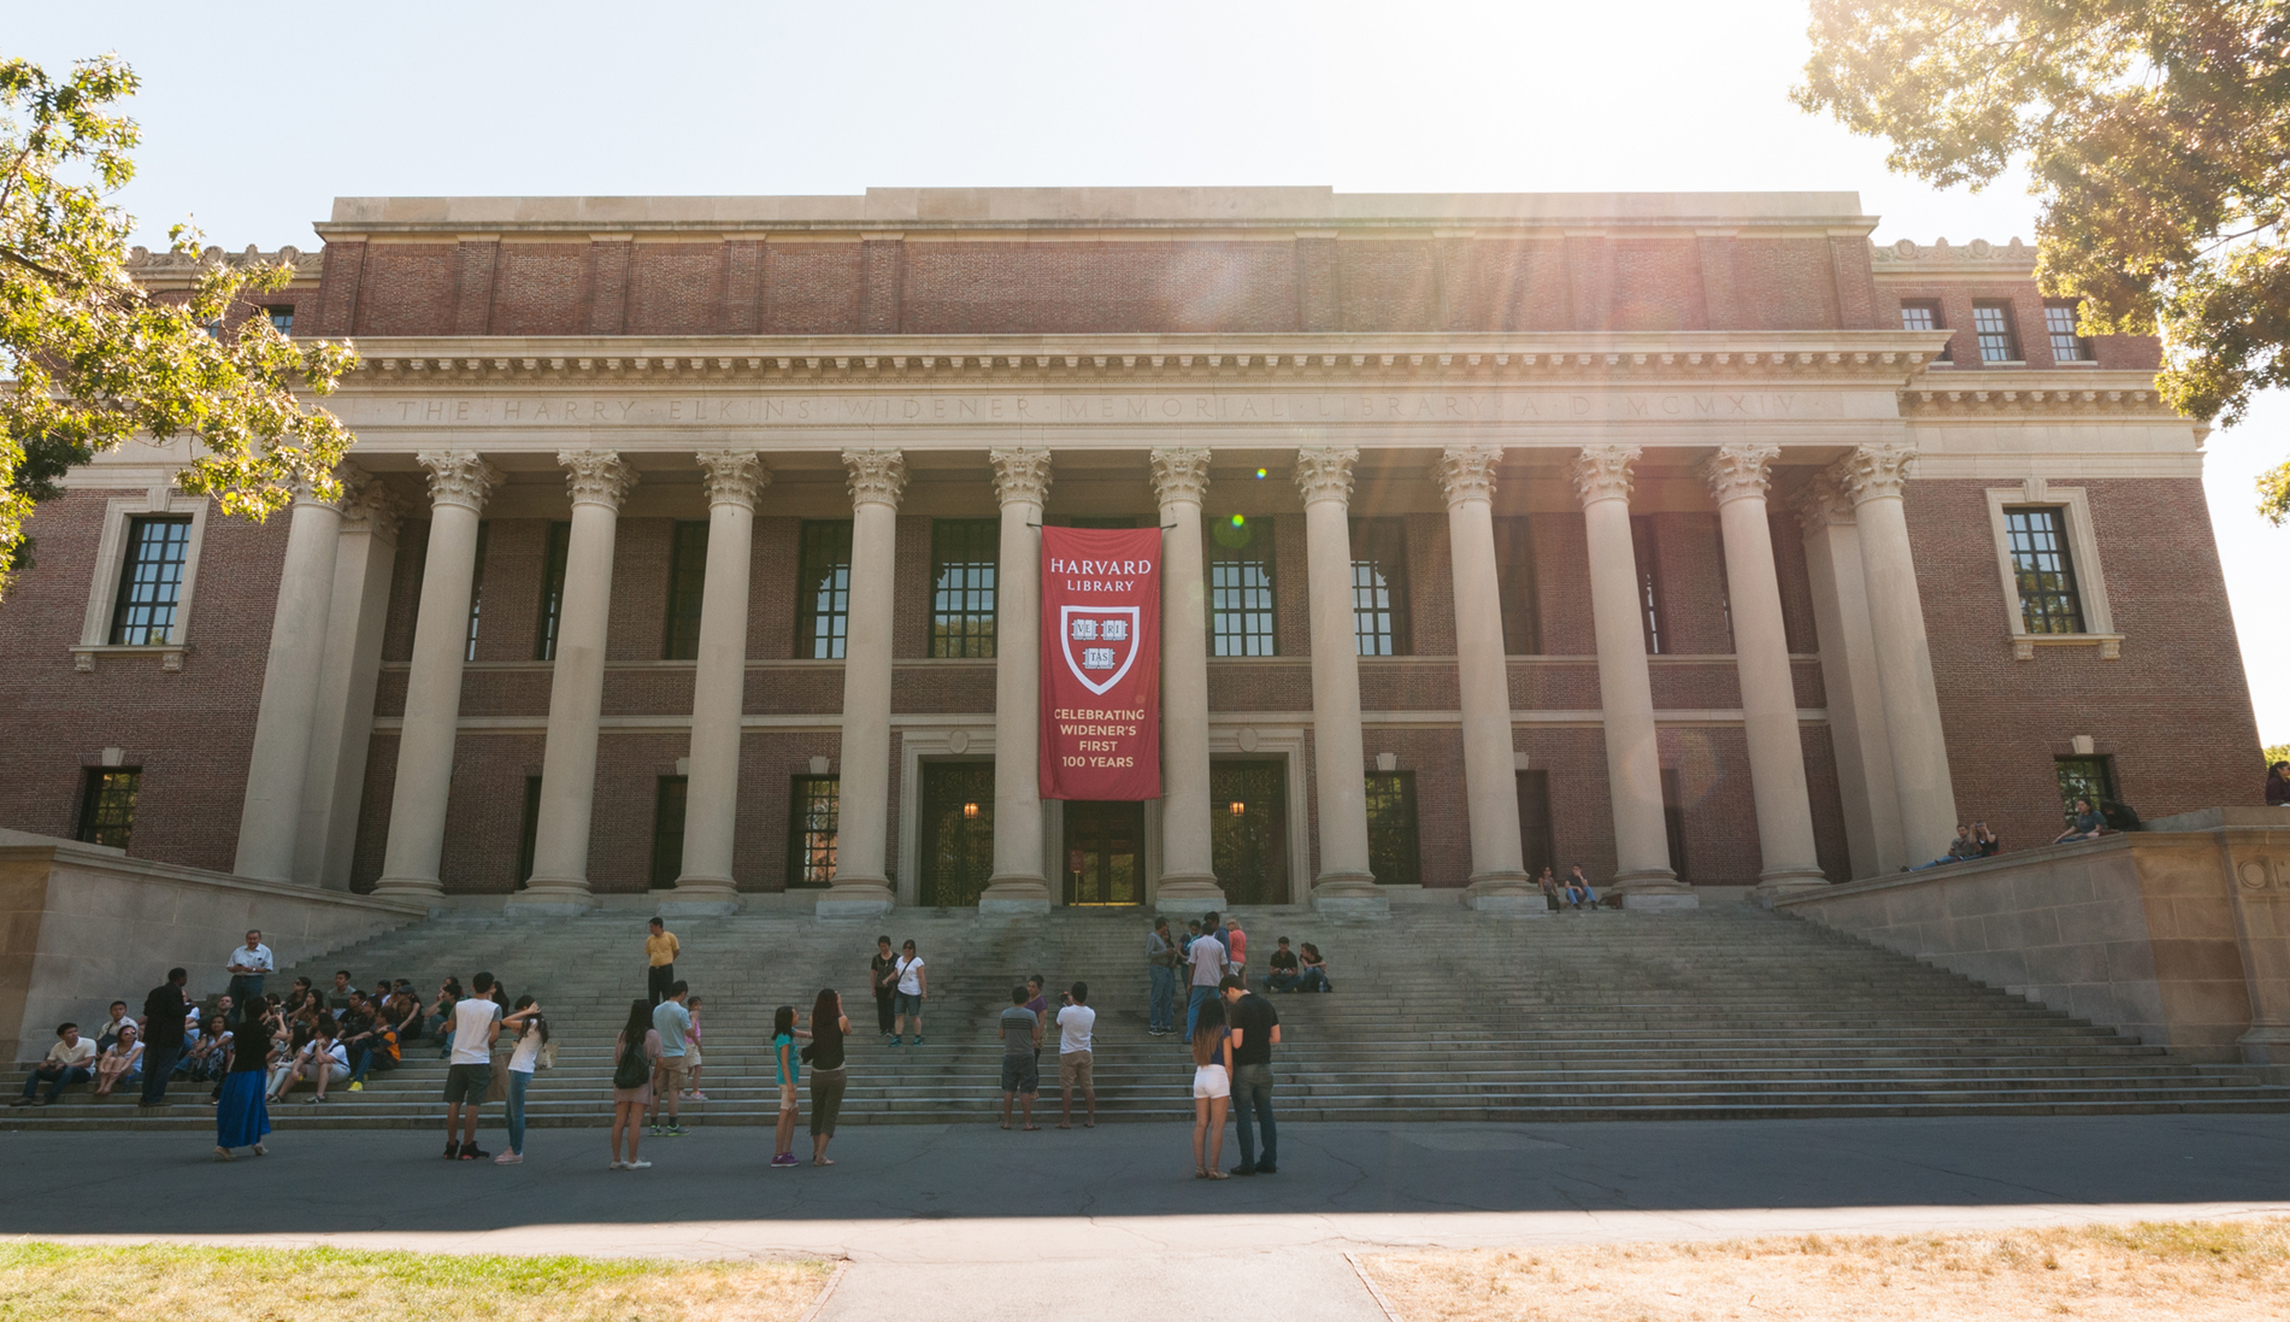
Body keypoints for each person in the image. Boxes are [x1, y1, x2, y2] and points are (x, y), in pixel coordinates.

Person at [1222, 973, 1281, 1175]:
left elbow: (1237, 1042)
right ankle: (1269, 1160)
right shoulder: (1266, 1004)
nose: (1226, 1000)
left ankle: (1247, 1163)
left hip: (1245, 1068)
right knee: (1266, 1114)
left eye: (1225, 995)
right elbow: (1276, 1037)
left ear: (1231, 989)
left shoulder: (1239, 1008)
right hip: (1265, 1067)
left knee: (1244, 1116)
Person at [442, 970, 502, 1161]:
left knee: (454, 1102)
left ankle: (451, 1145)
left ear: (473, 986)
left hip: (459, 1058)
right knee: (473, 1103)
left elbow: (449, 1027)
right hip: (478, 1059)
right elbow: (494, 1036)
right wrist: (489, 1043)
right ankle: (468, 1146)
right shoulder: (494, 1008)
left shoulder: (460, 1005)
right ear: (491, 987)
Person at [609, 999, 660, 1171]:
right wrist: (654, 1078)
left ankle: (616, 1159)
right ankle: (633, 1159)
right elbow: (660, 1059)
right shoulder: (652, 1034)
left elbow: (617, 1058)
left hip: (623, 1081)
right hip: (642, 1081)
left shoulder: (623, 1034)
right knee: (635, 1121)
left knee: (619, 1121)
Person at [213, 1013, 272, 1160]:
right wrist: (277, 1019)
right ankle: (225, 1145)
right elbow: (284, 1035)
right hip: (253, 1070)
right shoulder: (264, 1028)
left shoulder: (238, 1028)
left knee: (246, 1105)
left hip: (238, 1070)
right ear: (263, 1012)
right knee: (248, 1106)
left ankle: (256, 1141)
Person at [496, 995, 545, 1166]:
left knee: (516, 1113)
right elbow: (511, 1026)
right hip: (519, 1068)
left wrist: (529, 1013)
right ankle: (513, 1148)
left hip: (521, 1069)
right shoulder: (533, 1024)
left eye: (521, 1011)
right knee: (510, 1112)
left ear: (527, 1008)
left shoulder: (533, 1023)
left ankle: (516, 1151)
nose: (521, 1015)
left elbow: (505, 1021)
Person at [1190, 997, 1232, 1180]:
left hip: (1200, 1074)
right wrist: (1228, 1083)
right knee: (1217, 1125)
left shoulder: (1197, 1032)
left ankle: (1200, 1167)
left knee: (1201, 1124)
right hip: (1218, 1074)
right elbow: (1228, 1063)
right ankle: (1214, 1169)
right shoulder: (1223, 1031)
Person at [806, 989, 848, 1167]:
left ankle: (816, 1150)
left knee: (817, 1111)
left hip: (817, 1071)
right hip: (836, 1071)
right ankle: (821, 1156)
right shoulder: (841, 1020)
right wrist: (839, 1008)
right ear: (834, 1002)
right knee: (830, 1113)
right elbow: (849, 1031)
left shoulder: (812, 1019)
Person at [139, 967, 191, 1106]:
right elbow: (175, 1011)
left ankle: (145, 1097)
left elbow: (147, 1010)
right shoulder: (174, 992)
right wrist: (188, 1008)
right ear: (180, 978)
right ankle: (155, 1098)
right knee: (164, 1067)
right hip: (170, 1035)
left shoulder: (156, 991)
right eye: (185, 977)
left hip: (154, 1034)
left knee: (152, 1067)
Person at [648, 981, 692, 1138]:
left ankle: (654, 1124)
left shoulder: (657, 1009)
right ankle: (672, 1124)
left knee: (657, 1091)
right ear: (682, 993)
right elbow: (688, 1032)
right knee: (674, 1090)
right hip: (676, 1054)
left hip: (660, 1054)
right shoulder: (681, 1011)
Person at [13, 1024, 95, 1106]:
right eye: (69, 1032)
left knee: (70, 1069)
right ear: (62, 1036)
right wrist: (45, 1065)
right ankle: (27, 1096)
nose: (74, 1034)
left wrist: (65, 1065)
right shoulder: (58, 1046)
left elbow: (88, 1063)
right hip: (64, 1073)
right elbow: (49, 1061)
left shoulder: (88, 1043)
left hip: (83, 1073)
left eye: (75, 1031)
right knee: (35, 1071)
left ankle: (49, 1097)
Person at [997, 985, 1040, 1132]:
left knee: (1009, 1089)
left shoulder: (1005, 1014)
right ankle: (1027, 1123)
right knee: (1026, 1090)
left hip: (1010, 1054)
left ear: (1013, 999)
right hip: (1026, 1055)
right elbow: (1035, 1036)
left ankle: (1007, 1122)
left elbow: (1001, 1035)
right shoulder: (1030, 1015)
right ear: (1026, 999)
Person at [770, 1004, 809, 1168]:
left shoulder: (787, 1033)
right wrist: (791, 1089)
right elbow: (784, 1064)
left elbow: (806, 1034)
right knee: (785, 1114)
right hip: (788, 1081)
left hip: (790, 1080)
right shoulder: (784, 1038)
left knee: (793, 1112)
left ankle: (786, 1151)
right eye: (795, 1014)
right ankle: (779, 1154)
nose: (798, 1016)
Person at [1056, 981, 1096, 1130]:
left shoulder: (1065, 1011)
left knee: (1067, 1087)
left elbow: (1057, 1026)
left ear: (1072, 995)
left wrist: (1068, 1004)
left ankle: (1066, 1120)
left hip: (1068, 1052)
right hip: (1085, 1051)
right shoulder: (1091, 1013)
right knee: (1088, 1086)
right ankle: (1091, 1119)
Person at [1183, 921, 1227, 1043]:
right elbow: (1224, 965)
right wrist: (1226, 981)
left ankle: (1191, 1035)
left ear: (1202, 932)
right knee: (1215, 1009)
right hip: (1214, 981)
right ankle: (1216, 1035)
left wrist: (1189, 982)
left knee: (1194, 1008)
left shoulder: (1196, 944)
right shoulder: (1219, 945)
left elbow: (1192, 963)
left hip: (1200, 980)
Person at [224, 931, 272, 1021]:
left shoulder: (265, 951)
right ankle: (233, 1027)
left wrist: (253, 969)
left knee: (252, 1006)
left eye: (254, 939)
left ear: (259, 939)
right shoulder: (238, 951)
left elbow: (268, 968)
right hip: (238, 979)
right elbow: (229, 968)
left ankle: (250, 1025)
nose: (252, 941)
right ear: (246, 939)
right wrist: (236, 968)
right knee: (234, 1005)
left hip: (254, 979)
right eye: (250, 939)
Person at [92, 1021, 144, 1098]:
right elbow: (105, 1058)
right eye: (126, 1033)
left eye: (133, 1033)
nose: (130, 1035)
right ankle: (102, 1086)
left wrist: (121, 1070)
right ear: (121, 1036)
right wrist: (101, 1069)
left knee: (120, 1059)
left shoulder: (139, 1045)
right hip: (113, 1070)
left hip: (131, 1071)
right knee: (111, 1059)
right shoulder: (113, 1046)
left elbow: (131, 1060)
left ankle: (108, 1086)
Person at [1146, 918, 1179, 1035]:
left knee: (1167, 996)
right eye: (1166, 926)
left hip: (1165, 968)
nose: (1167, 928)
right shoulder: (1153, 937)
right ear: (1162, 926)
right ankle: (1154, 1024)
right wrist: (1164, 953)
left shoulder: (1160, 938)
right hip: (1157, 968)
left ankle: (1166, 1023)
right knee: (1157, 996)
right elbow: (1149, 953)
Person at [891, 940, 926, 1046]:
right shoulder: (900, 960)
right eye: (905, 948)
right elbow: (896, 973)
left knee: (914, 1015)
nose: (907, 950)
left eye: (909, 948)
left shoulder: (917, 961)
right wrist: (887, 979)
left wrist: (924, 991)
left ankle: (917, 1037)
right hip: (901, 990)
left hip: (913, 992)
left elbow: (921, 977)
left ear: (913, 950)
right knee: (899, 1015)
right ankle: (898, 1037)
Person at [870, 935, 899, 1042]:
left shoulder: (896, 958)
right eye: (881, 946)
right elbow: (873, 973)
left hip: (892, 987)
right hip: (880, 987)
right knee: (881, 1007)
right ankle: (882, 1028)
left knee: (890, 1007)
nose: (883, 948)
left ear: (889, 945)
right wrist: (873, 988)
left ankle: (890, 1028)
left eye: (885, 946)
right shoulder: (876, 958)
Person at [1913, 824, 1982, 870]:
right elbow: (1950, 853)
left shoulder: (1970, 838)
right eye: (1959, 831)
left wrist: (1971, 831)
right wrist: (1951, 851)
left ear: (1967, 830)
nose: (1961, 832)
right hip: (1953, 856)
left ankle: (1913, 870)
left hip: (1963, 857)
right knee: (1934, 862)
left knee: (1941, 861)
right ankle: (1913, 869)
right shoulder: (1956, 840)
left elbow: (1975, 846)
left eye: (1963, 830)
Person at [645, 917, 679, 1008]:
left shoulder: (670, 937)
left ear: (658, 926)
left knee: (667, 993)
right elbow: (649, 953)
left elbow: (676, 951)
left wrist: (667, 960)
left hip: (665, 969)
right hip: (653, 970)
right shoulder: (650, 939)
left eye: (652, 926)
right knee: (653, 995)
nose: (650, 929)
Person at [682, 994, 707, 1102]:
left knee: (689, 1068)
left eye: (700, 1005)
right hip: (691, 1045)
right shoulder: (692, 1016)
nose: (698, 1007)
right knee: (698, 1068)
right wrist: (699, 1045)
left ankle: (680, 1090)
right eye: (696, 1005)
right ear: (691, 1006)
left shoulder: (691, 1016)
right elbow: (692, 1033)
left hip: (688, 1045)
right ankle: (695, 1092)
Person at [1023, 976, 1050, 1067]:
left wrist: (1036, 1039)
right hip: (1026, 1035)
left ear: (1039, 989)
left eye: (1033, 987)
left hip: (1034, 1035)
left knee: (1032, 1064)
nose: (1030, 989)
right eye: (1029, 986)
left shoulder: (1041, 1002)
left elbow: (1041, 1022)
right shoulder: (1027, 1000)